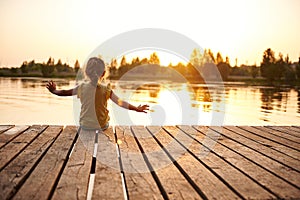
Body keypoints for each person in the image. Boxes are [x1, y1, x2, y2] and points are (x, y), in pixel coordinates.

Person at [46, 57, 149, 130]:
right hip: (102, 126)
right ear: (104, 73)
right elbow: (121, 103)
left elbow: (64, 92)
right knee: (105, 120)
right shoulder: (106, 89)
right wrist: (137, 108)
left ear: (86, 72)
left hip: (85, 126)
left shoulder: (81, 87)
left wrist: (54, 90)